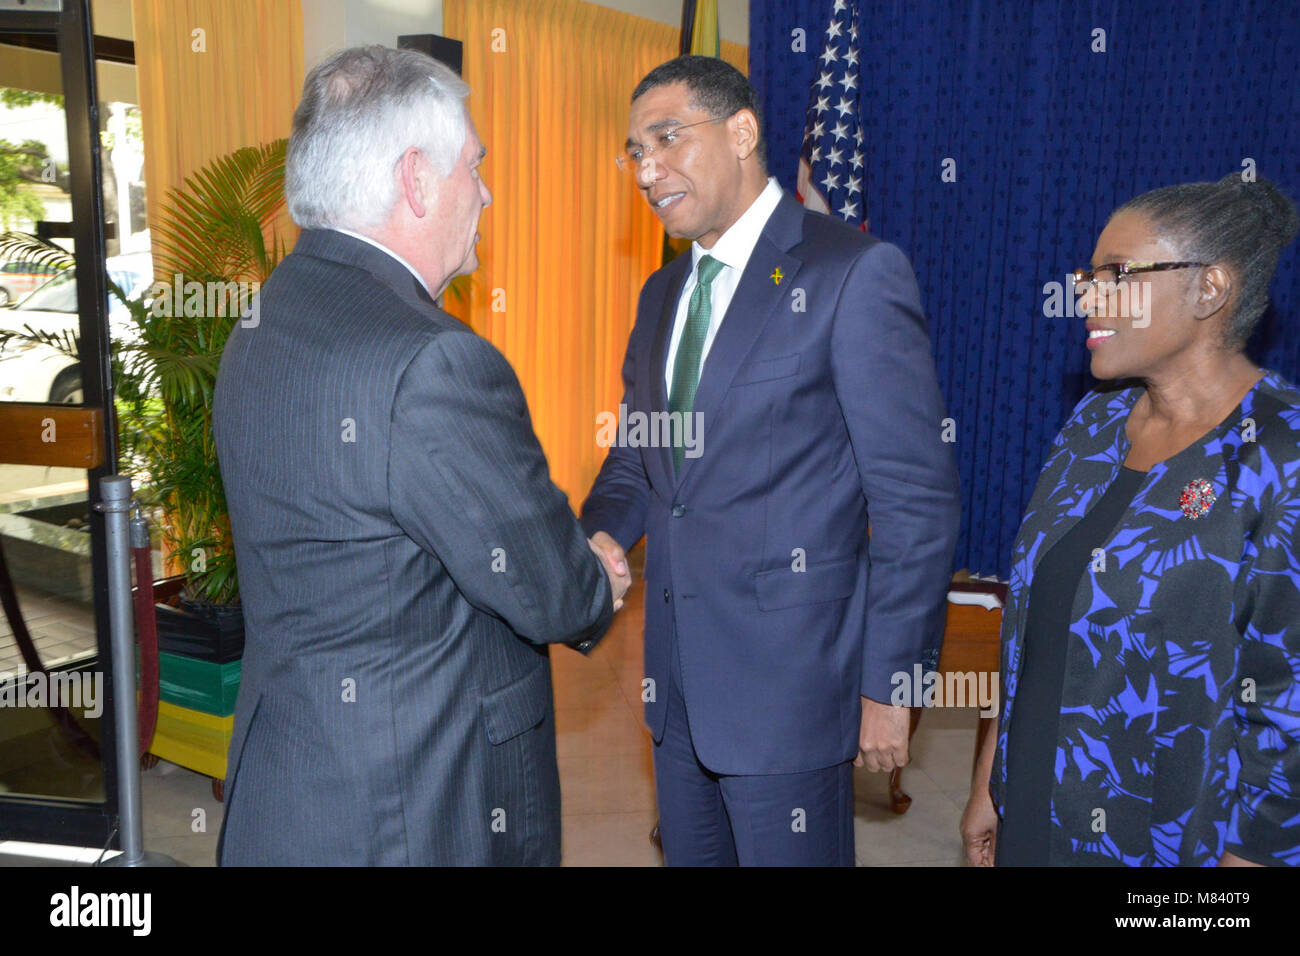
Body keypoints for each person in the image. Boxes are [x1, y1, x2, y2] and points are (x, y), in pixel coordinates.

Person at [212, 46, 630, 866]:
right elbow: (550, 593)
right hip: (416, 807)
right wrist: (599, 577)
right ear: (415, 178)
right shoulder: (434, 361)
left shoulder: (266, 316)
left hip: (291, 784)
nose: (486, 190)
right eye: (474, 165)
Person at [582, 55, 961, 866]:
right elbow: (639, 459)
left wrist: (892, 687)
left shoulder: (851, 272)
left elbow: (914, 501)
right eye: (634, 152)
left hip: (791, 690)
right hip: (676, 685)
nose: (647, 171)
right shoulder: (661, 293)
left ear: (744, 131)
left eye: (667, 139)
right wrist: (597, 536)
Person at [962, 174, 1300, 867]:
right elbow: (1032, 623)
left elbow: (1286, 710)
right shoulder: (1093, 422)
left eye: (1118, 273)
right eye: (1089, 274)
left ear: (1210, 289)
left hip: (1171, 845)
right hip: (1033, 806)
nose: (1086, 294)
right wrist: (987, 784)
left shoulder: (1281, 455)